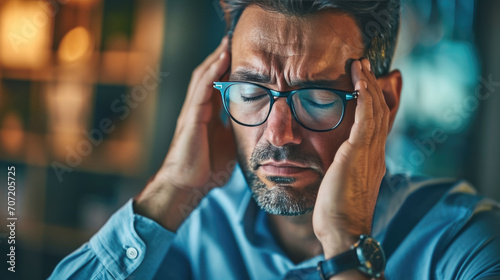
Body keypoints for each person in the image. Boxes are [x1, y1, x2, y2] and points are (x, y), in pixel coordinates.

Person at [50, 0, 500, 279]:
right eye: (250, 92)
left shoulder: (467, 245)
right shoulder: (194, 230)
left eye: (318, 96)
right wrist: (173, 187)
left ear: (384, 101)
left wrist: (346, 246)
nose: (278, 134)